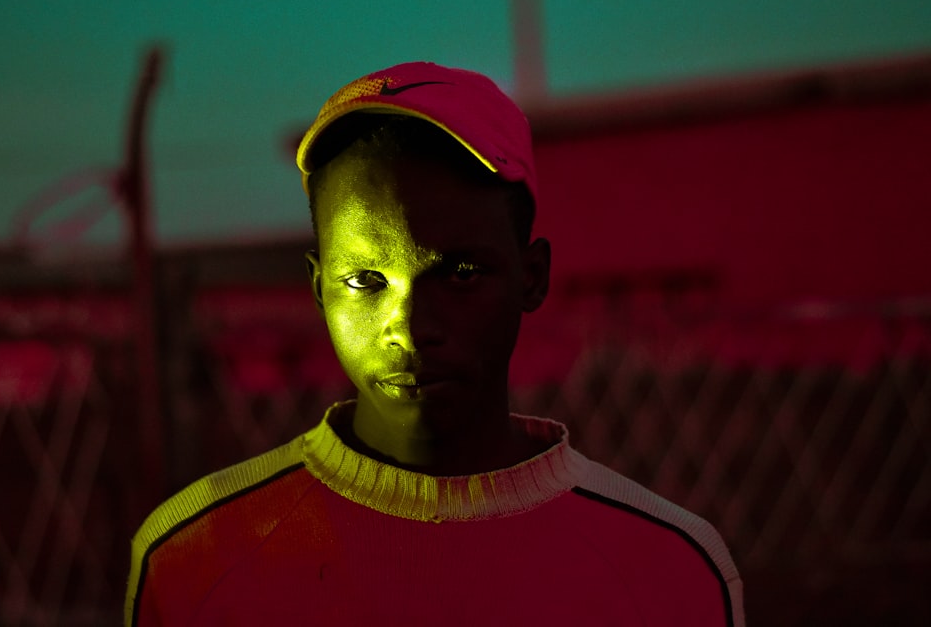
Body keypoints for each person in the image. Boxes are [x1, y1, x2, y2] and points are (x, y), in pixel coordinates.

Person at [124, 61, 744, 626]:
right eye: (366, 280)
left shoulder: (669, 571)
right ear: (318, 290)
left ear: (531, 278)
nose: (412, 325)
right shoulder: (194, 559)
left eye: (460, 273)